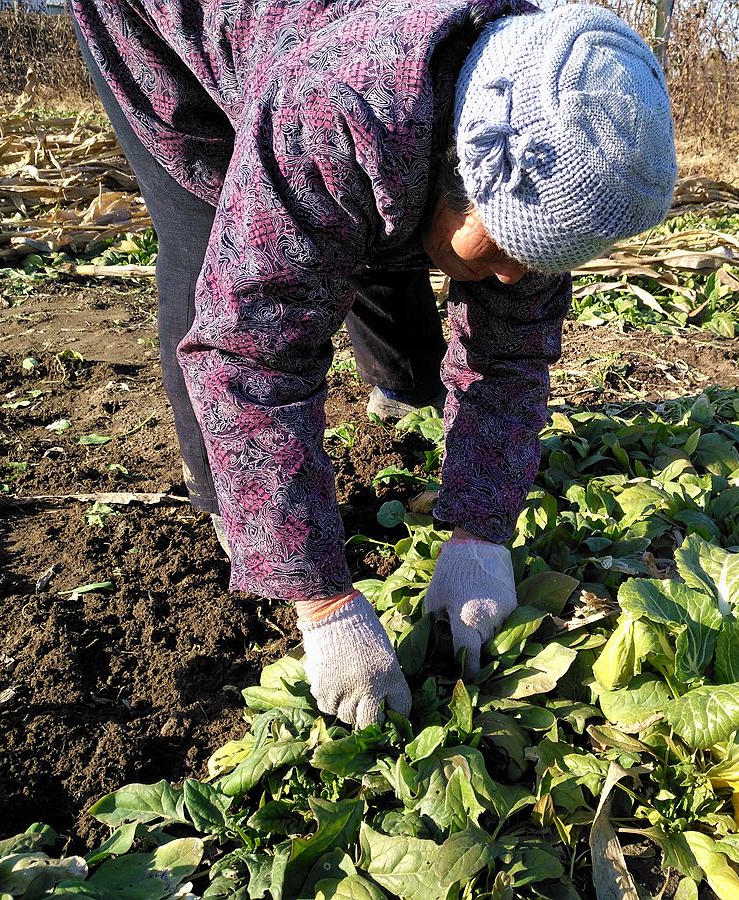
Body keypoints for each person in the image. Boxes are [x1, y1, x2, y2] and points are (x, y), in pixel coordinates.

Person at [70, 0, 677, 729]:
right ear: (461, 165)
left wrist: (481, 530)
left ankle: (400, 385)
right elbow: (251, 353)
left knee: (390, 227)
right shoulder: (335, 110)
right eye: (512, 245)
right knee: (218, 237)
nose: (519, 277)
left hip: (365, 102)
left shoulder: (545, 115)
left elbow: (510, 355)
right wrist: (323, 601)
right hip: (164, 24)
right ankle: (232, 502)